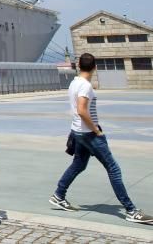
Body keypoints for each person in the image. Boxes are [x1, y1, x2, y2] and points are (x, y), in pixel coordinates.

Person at [49, 52, 153, 224]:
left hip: (77, 132)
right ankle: (131, 210)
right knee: (113, 169)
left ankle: (59, 195)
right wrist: (96, 130)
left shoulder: (74, 83)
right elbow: (82, 110)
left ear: (79, 66)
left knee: (79, 164)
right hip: (89, 134)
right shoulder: (85, 86)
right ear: (94, 67)